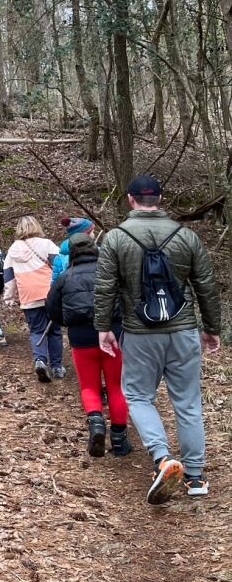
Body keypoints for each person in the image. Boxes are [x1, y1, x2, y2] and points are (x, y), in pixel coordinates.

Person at [94, 174, 222, 504]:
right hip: (183, 331)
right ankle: (195, 477)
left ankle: (163, 459)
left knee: (137, 396)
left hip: (140, 334)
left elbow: (105, 287)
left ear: (130, 199)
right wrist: (212, 327)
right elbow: (206, 285)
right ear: (160, 199)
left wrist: (104, 327)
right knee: (188, 403)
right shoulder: (187, 236)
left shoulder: (116, 238)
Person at [47, 232, 130, 459]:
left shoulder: (65, 277)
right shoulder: (110, 274)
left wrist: (68, 322)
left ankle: (96, 424)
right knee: (115, 386)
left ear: (72, 253)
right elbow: (126, 301)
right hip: (114, 335)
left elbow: (52, 308)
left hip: (80, 338)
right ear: (95, 249)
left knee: (89, 387)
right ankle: (120, 441)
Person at [3, 216, 63, 382]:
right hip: (50, 293)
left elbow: (8, 275)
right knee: (55, 331)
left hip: (28, 295)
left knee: (37, 330)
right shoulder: (46, 244)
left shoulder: (13, 250)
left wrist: (9, 296)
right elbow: (60, 265)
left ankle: (40, 360)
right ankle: (57, 367)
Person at [51, 217, 95, 283]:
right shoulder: (96, 252)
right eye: (92, 232)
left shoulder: (59, 257)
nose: (94, 234)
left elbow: (55, 283)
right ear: (85, 235)